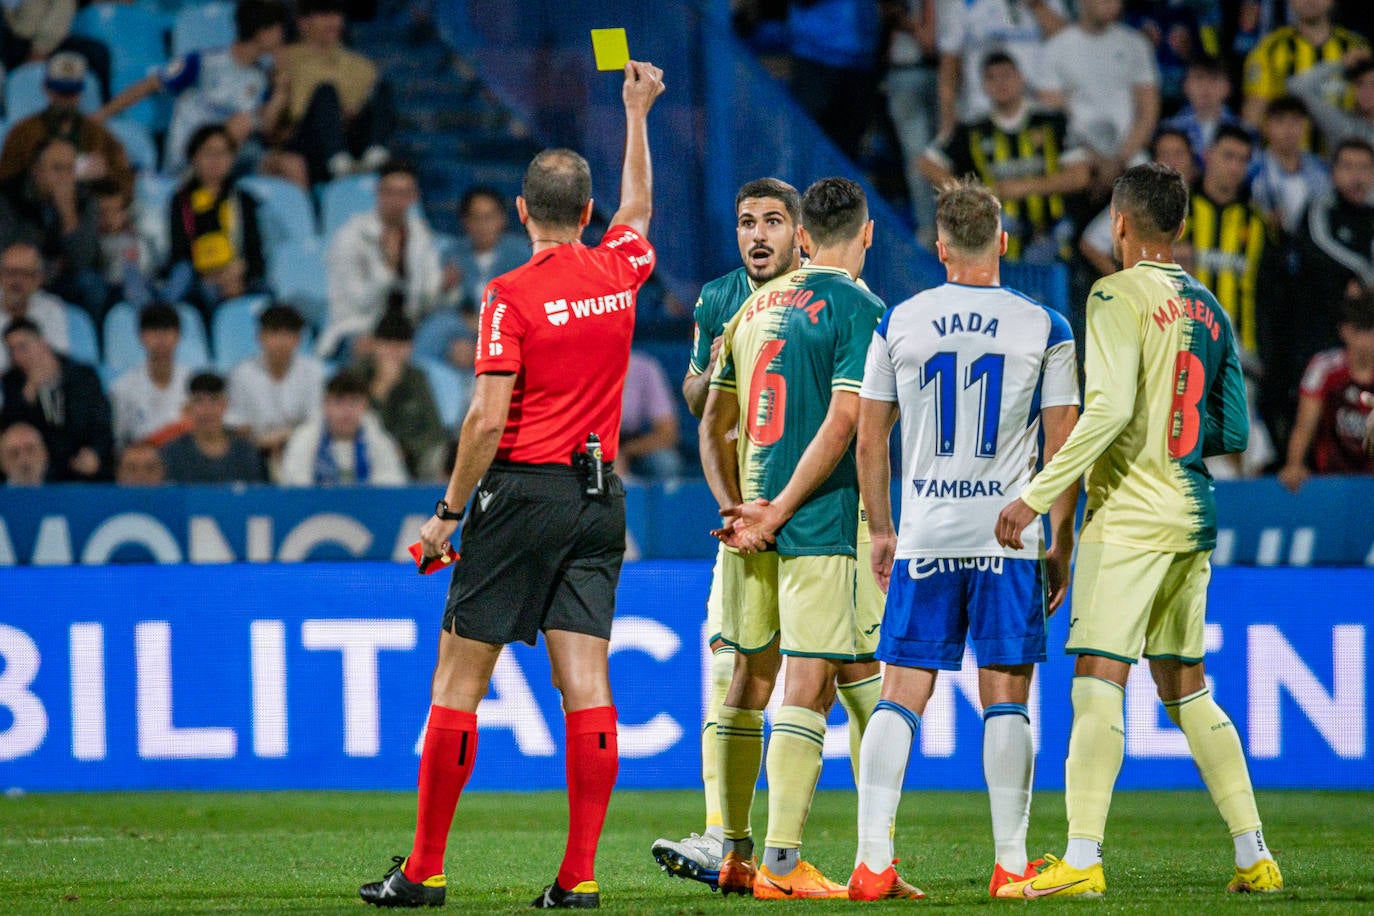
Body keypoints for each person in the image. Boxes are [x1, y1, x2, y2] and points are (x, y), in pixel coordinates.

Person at [357, 59, 664, 910]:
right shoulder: (616, 272)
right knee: (588, 686)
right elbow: (639, 211)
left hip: (521, 494)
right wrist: (637, 112)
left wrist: (446, 514)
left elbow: (486, 421)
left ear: (524, 213)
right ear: (589, 214)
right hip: (602, 501)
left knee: (458, 685)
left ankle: (423, 873)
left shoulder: (508, 294)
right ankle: (579, 877)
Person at [993, 162, 1282, 897]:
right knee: (1187, 687)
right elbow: (1237, 428)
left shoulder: (1114, 292)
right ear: (1181, 229)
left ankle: (1082, 860)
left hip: (1129, 518)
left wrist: (1036, 495)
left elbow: (1111, 408)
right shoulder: (1211, 307)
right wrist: (1174, 437)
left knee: (1096, 679)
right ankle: (1255, 855)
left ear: (1119, 224)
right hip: (1192, 512)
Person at [652, 177, 883, 893]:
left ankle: (873, 845)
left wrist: (752, 508)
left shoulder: (759, 307)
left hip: (781, 514)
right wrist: (744, 510)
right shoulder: (739, 300)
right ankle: (749, 847)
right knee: (782, 674)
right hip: (796, 517)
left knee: (845, 673)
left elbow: (715, 420)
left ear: (800, 234)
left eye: (772, 222)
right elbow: (712, 409)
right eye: (746, 221)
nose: (758, 235)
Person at [850, 179, 1079, 900]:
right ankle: (1011, 864)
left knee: (900, 695)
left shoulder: (902, 321)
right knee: (1006, 696)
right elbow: (1064, 443)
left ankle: (872, 863)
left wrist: (882, 528)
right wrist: (1059, 540)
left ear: (940, 246)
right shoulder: (1045, 325)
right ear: (1003, 242)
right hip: (1007, 537)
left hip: (925, 532)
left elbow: (868, 437)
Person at [920, 51, 1089, 263]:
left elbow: (1080, 176)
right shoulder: (972, 130)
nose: (1000, 83)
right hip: (996, 248)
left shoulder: (1052, 122)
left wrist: (1025, 187)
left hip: (1054, 240)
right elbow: (927, 163)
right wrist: (973, 196)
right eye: (992, 77)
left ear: (1021, 78)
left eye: (1007, 75)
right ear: (984, 86)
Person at [93, 0, 292, 175]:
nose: (283, 35)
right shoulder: (203, 63)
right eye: (278, 28)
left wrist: (281, 88)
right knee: (240, 124)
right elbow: (147, 86)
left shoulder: (262, 77)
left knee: (291, 165)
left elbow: (266, 128)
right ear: (262, 32)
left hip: (238, 161)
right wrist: (102, 114)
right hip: (189, 160)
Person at [319, 160, 442, 359]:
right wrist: (387, 267)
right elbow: (356, 302)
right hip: (357, 327)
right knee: (374, 351)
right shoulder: (351, 236)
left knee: (457, 342)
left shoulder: (421, 234)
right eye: (390, 193)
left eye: (404, 194)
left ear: (414, 197)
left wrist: (442, 287)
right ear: (378, 193)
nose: (396, 201)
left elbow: (427, 299)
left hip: (408, 328)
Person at [1038, 0, 1161, 195]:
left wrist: (1119, 160)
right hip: (1077, 154)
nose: (1112, 4)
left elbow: (1148, 110)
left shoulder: (1136, 44)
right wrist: (1096, 159)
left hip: (1129, 152)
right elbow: (1055, 115)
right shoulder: (1056, 48)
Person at [271, 0, 394, 183]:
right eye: (324, 15)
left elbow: (365, 109)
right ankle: (338, 162)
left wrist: (348, 113)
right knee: (325, 92)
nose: (333, 22)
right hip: (307, 141)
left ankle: (375, 156)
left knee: (383, 88)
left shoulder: (361, 65)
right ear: (303, 22)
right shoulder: (285, 59)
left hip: (350, 137)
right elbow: (295, 112)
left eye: (337, 15)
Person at [1177, 125, 1270, 359]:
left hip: (1238, 352)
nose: (1235, 167)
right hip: (1180, 345)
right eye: (1228, 156)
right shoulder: (1178, 211)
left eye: (1243, 160)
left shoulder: (1257, 222)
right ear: (1207, 155)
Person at [166, 124, 267, 321]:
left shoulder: (244, 200)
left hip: (238, 275)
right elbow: (178, 252)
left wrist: (239, 271)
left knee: (265, 294)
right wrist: (211, 275)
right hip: (200, 278)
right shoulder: (181, 201)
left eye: (222, 153)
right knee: (206, 292)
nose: (216, 160)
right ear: (194, 157)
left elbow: (255, 251)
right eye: (208, 153)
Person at [0, 52, 133, 200]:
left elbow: (125, 182)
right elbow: (5, 182)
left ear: (80, 93)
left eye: (70, 92)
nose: (64, 99)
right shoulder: (23, 132)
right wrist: (41, 177)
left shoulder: (98, 135)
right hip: (34, 215)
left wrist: (104, 175)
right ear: (46, 89)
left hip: (87, 213)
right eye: (59, 91)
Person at [1279, 292, 1374, 490]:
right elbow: (1305, 425)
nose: (1367, 340)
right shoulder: (1324, 369)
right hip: (1331, 483)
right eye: (1360, 330)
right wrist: (1294, 465)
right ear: (1345, 331)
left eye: (1371, 330)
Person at [0, 137, 103, 319]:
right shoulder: (9, 196)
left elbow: (83, 260)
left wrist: (68, 213)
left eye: (69, 169)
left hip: (62, 280)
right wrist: (46, 270)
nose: (64, 177)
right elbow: (8, 251)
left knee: (91, 284)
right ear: (37, 170)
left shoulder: (85, 200)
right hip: (18, 276)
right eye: (57, 168)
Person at [0, 317, 112, 481]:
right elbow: (12, 431)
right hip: (41, 469)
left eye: (22, 347)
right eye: (12, 351)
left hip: (82, 460)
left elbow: (101, 421)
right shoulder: (12, 383)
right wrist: (28, 396)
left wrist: (96, 452)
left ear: (42, 342)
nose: (18, 356)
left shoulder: (82, 376)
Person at [936, 0, 1069, 136]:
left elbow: (1066, 42)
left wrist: (1037, 5)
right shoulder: (960, 3)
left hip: (1037, 112)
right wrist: (947, 121)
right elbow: (949, 66)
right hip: (982, 112)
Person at [225, 304, 326, 465]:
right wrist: (264, 444)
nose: (281, 342)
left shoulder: (313, 371)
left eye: (288, 335)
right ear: (260, 337)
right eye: (274, 334)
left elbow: (316, 422)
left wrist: (285, 439)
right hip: (255, 452)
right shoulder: (242, 374)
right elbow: (238, 427)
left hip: (304, 451)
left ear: (298, 339)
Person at [1242, 0, 1369, 126]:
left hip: (1348, 144)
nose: (1309, 1)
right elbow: (1255, 111)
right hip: (1288, 146)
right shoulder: (1268, 50)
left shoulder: (1357, 48)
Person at [356, 312, 447, 480]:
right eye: (387, 344)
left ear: (410, 348)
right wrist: (380, 389)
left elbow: (435, 430)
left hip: (412, 458)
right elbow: (353, 422)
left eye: (400, 346)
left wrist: (408, 449)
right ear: (375, 345)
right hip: (365, 453)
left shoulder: (417, 378)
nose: (394, 352)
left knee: (440, 455)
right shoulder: (356, 375)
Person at [278, 368, 407, 485]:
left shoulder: (379, 439)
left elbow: (393, 483)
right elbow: (294, 483)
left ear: (365, 405)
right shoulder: (305, 437)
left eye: (354, 402)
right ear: (325, 405)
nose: (346, 411)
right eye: (338, 402)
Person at [110, 304, 193, 448]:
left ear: (178, 336)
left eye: (167, 331)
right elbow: (117, 441)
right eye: (154, 331)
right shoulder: (122, 388)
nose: (161, 339)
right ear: (141, 337)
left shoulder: (193, 383)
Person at [1248, 96, 1331, 237]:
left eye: (1295, 122)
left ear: (1305, 127)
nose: (1289, 129)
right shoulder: (1251, 167)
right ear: (1266, 126)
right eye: (1280, 122)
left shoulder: (1321, 168)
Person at [449, 185, 530, 314]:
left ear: (502, 219)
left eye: (489, 217)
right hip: (463, 327)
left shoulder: (524, 254)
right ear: (464, 221)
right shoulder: (453, 255)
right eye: (475, 217)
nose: (482, 225)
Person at [0, 242, 70, 373]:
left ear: (38, 279)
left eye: (25, 274)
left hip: (37, 385)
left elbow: (56, 360)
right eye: (11, 273)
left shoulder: (51, 309)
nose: (16, 281)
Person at [1287, 48, 1374, 149]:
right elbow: (1297, 87)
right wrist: (1340, 64)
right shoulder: (1343, 124)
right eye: (1360, 84)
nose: (1366, 91)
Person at [1163, 56, 1247, 159]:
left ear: (1228, 87)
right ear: (1185, 85)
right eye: (1199, 78)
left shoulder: (1244, 131)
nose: (1205, 87)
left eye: (1214, 79)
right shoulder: (1168, 130)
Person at [616, 350, 681, 481]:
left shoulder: (644, 367)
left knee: (666, 463)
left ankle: (663, 501)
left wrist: (625, 452)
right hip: (588, 441)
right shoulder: (577, 366)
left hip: (630, 442)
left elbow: (668, 434)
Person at [0, 421, 49, 486]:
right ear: (3, 462)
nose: (23, 460)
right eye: (14, 453)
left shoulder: (63, 493)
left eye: (30, 450)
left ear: (44, 454)